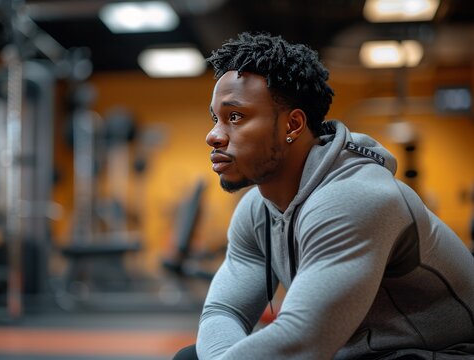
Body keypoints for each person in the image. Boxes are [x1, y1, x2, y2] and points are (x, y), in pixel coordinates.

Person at [173, 32, 474, 360]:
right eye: (215, 118)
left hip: (438, 351)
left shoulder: (354, 199)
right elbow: (223, 310)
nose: (213, 135)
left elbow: (301, 343)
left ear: (293, 125)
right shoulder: (258, 210)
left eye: (235, 117)